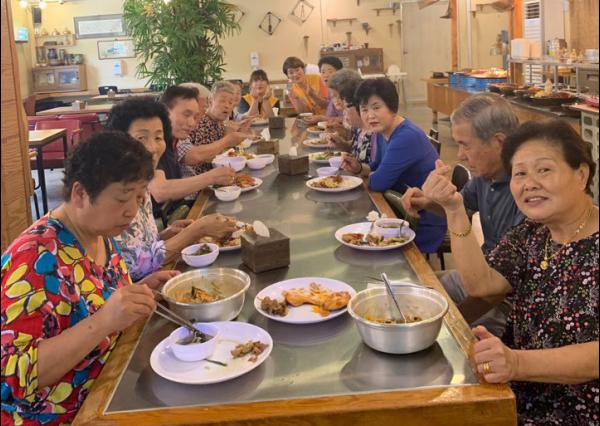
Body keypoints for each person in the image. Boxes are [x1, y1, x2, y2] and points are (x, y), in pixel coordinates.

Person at [423, 119, 598, 425]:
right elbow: (483, 285)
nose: (529, 183)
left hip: (577, 411)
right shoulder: (533, 234)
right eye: (520, 173)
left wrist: (517, 363)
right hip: (514, 395)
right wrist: (454, 209)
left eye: (544, 169)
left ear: (581, 174)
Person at [1, 132, 177, 425]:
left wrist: (138, 291)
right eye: (122, 198)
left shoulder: (99, 232)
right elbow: (14, 377)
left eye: (139, 197)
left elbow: (92, 299)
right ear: (80, 193)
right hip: (62, 416)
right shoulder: (35, 258)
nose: (132, 210)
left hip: (110, 387)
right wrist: (104, 321)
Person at [401, 93, 525, 336]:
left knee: (424, 320)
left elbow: (494, 291)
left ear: (499, 142)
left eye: (465, 145)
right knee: (414, 289)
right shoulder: (484, 176)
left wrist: (450, 323)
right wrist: (427, 202)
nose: (459, 155)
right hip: (480, 276)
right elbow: (463, 206)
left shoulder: (526, 192)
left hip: (511, 305)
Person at [106, 98, 238, 280]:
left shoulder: (141, 180)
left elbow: (136, 244)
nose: (152, 147)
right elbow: (134, 265)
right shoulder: (112, 191)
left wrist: (164, 235)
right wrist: (196, 230)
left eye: (158, 137)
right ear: (118, 141)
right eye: (141, 138)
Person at [341, 78, 446, 253]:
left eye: (376, 107)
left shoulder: (405, 137)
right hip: (398, 207)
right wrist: (359, 168)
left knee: (360, 238)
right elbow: (376, 168)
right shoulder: (381, 131)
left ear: (392, 106)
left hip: (422, 219)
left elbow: (378, 182)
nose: (370, 115)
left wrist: (373, 174)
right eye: (364, 109)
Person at [177, 81, 252, 180]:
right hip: (200, 179)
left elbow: (224, 154)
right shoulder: (201, 122)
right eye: (222, 101)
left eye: (230, 102)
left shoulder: (220, 123)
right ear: (210, 101)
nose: (227, 105)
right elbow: (204, 158)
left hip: (219, 176)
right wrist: (227, 139)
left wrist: (238, 134)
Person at [325, 68, 375, 165]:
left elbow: (373, 167)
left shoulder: (373, 128)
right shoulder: (356, 124)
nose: (337, 100)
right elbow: (356, 148)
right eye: (333, 96)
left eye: (338, 95)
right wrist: (342, 144)